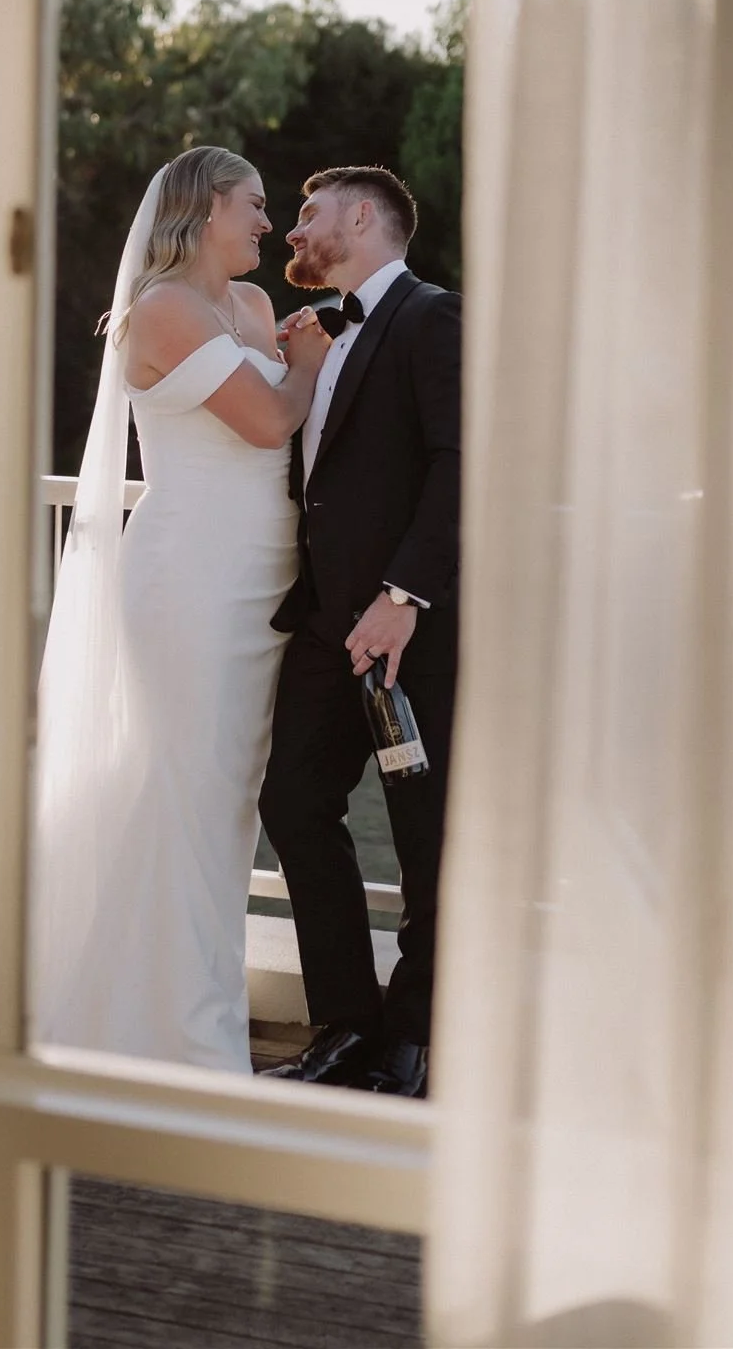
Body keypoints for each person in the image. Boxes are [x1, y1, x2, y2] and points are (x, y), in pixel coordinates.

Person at [31, 146, 331, 1071]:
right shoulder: (160, 309)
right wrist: (311, 358)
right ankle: (172, 1042)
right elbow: (271, 420)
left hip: (260, 581)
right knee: (183, 801)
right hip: (191, 581)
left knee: (225, 809)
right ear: (203, 210)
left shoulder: (248, 306)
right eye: (253, 204)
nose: (266, 224)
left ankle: (181, 1018)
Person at [260, 166, 461, 1098]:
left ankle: (414, 1044)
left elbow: (461, 462)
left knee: (425, 836)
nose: (293, 231)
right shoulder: (320, 332)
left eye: (308, 215)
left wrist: (405, 595)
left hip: (403, 630)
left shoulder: (431, 317)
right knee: (294, 802)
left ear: (363, 216)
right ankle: (345, 1022)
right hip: (320, 626)